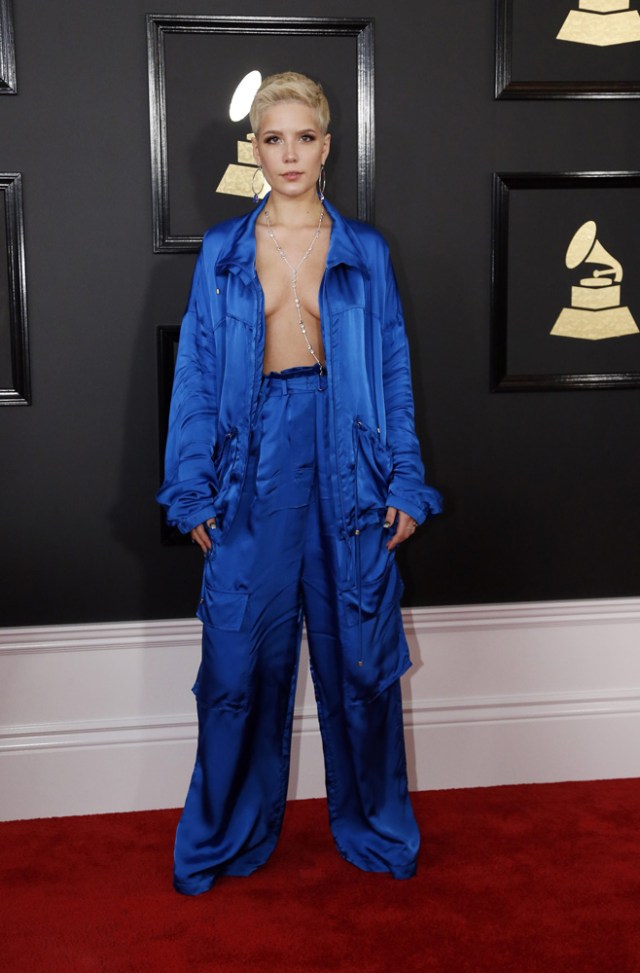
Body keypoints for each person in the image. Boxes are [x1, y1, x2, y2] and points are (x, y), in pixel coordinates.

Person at [157, 72, 442, 896]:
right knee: (239, 659)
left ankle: (379, 829)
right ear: (255, 149)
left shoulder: (366, 250)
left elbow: (391, 368)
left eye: (304, 138)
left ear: (327, 146)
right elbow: (199, 375)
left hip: (349, 452)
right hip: (253, 459)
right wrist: (192, 488)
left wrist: (408, 480)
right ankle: (223, 836)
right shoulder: (222, 251)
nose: (289, 154)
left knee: (361, 656)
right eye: (272, 138)